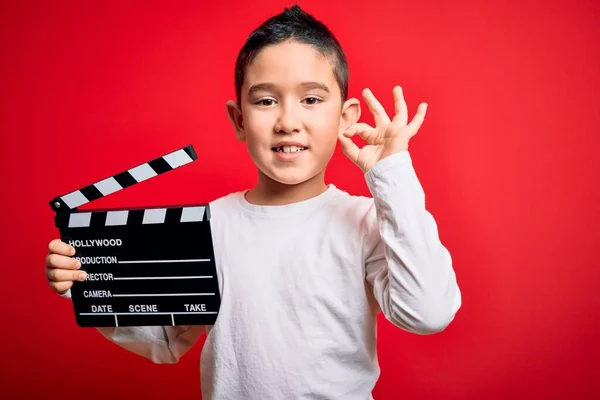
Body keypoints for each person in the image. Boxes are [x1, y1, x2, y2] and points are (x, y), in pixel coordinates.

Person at [45, 5, 461, 399]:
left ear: (346, 117)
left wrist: (391, 176)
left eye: (312, 99)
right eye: (265, 100)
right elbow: (165, 341)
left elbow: (427, 311)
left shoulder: (366, 220)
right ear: (239, 119)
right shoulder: (208, 226)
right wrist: (90, 282)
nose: (287, 121)